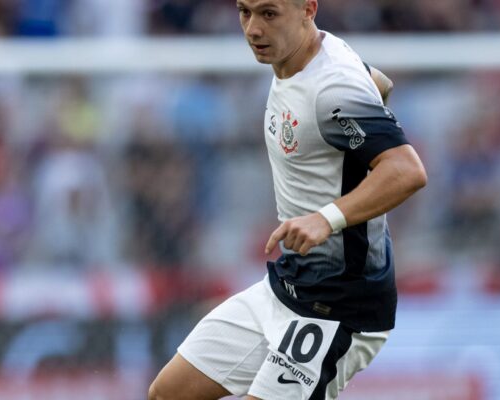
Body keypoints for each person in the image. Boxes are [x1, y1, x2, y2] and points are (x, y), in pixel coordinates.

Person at [149, 0, 427, 399]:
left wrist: (325, 218)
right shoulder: (304, 60)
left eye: (269, 13)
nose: (253, 29)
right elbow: (379, 83)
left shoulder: (332, 86)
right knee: (168, 393)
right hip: (287, 286)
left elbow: (406, 170)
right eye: (245, 12)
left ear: (308, 9)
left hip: (339, 306)